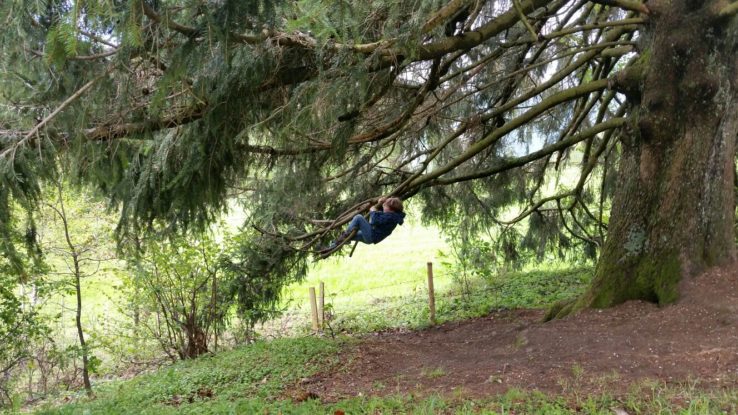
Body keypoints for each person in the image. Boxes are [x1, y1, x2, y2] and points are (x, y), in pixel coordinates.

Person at [330, 197, 405, 249]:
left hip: (371, 235)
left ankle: (344, 237)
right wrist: (382, 203)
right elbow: (383, 216)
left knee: (358, 217)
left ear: (392, 210)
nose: (383, 208)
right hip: (371, 237)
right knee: (350, 236)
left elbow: (374, 221)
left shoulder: (390, 217)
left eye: (385, 207)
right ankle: (335, 244)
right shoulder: (393, 216)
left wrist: (373, 211)